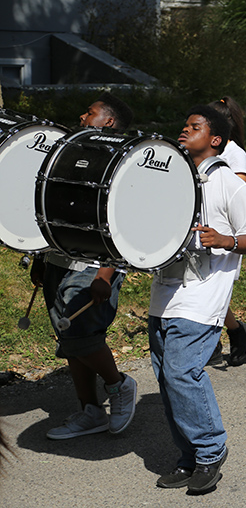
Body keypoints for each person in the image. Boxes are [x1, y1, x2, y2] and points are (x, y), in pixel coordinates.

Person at [149, 105, 246, 493]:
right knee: (166, 378)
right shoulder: (174, 179)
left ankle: (211, 452)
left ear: (215, 140)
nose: (184, 129)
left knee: (183, 373)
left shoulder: (230, 184)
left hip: (202, 298)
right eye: (184, 123)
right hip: (164, 295)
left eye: (194, 126)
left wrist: (224, 240)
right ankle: (188, 457)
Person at [34, 93, 138, 441]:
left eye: (90, 113)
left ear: (107, 122)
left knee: (82, 335)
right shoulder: (71, 155)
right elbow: (54, 207)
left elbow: (126, 221)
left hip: (94, 265)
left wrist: (106, 273)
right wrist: (40, 257)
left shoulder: (124, 164)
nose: (82, 116)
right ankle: (90, 411)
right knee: (69, 337)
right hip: (58, 258)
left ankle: (119, 385)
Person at [209, 96, 246, 366]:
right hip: (202, 224)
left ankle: (229, 334)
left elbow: (239, 189)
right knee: (208, 289)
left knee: (216, 290)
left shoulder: (235, 153)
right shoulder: (202, 148)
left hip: (225, 230)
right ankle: (234, 330)